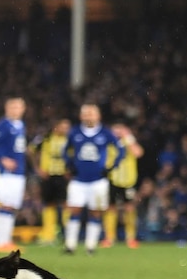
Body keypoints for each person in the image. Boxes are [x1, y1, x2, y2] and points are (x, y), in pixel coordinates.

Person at [62, 104, 125, 255]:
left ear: (98, 116)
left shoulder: (105, 132)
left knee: (95, 212)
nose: (89, 116)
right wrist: (69, 165)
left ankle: (90, 246)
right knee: (74, 210)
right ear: (81, 116)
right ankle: (70, 245)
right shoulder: (75, 132)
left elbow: (121, 150)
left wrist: (111, 166)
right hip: (78, 180)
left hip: (98, 181)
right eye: (86, 113)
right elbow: (65, 150)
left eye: (92, 113)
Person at [0, 97, 28, 253]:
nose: (16, 110)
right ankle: (0, 242)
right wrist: (3, 158)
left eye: (19, 107)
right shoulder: (3, 124)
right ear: (7, 108)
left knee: (11, 206)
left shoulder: (21, 125)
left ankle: (6, 241)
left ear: (23, 109)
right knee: (5, 204)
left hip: (19, 172)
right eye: (13, 107)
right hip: (7, 172)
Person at [101, 123, 144, 248]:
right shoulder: (108, 142)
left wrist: (129, 136)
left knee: (129, 208)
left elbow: (138, 153)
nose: (118, 132)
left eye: (121, 129)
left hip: (128, 181)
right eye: (116, 129)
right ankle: (109, 238)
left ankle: (130, 238)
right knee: (110, 207)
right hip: (111, 179)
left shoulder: (128, 142)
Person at [28, 118, 71, 245]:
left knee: (65, 204)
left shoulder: (70, 139)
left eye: (67, 127)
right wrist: (37, 168)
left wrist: (71, 170)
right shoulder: (44, 138)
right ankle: (48, 235)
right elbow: (30, 151)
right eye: (63, 127)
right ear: (56, 127)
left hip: (63, 175)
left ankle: (67, 233)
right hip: (48, 175)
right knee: (48, 204)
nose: (65, 130)